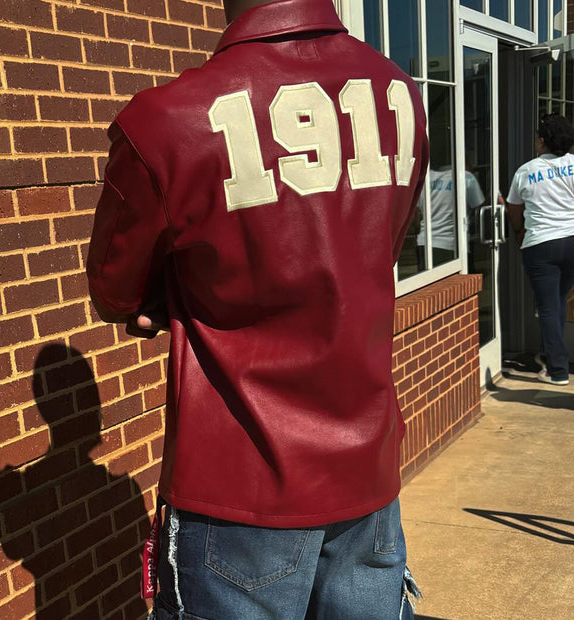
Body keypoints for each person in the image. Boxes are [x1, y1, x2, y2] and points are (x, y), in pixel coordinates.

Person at [86, 0, 429, 617]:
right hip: (368, 468)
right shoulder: (399, 94)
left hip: (236, 485)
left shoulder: (165, 119)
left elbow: (115, 290)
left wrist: (165, 294)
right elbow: (379, 243)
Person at [506, 113, 574, 386]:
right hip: (572, 239)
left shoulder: (527, 170)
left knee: (547, 307)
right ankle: (548, 354)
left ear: (543, 141)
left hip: (542, 244)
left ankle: (557, 371)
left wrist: (519, 233)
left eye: (537, 137)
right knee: (559, 299)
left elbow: (513, 207)